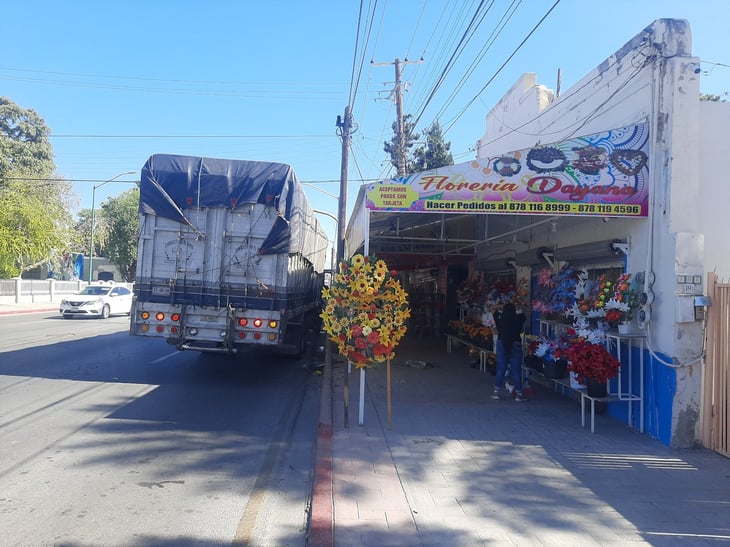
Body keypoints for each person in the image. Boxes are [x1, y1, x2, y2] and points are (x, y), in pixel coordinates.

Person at [492, 302, 528, 402]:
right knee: (516, 370)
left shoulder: (500, 319)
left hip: (501, 343)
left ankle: (496, 392)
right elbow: (528, 311)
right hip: (515, 344)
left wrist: (500, 306)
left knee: (501, 369)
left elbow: (492, 308)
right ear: (514, 311)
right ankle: (519, 394)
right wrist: (519, 306)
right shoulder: (518, 318)